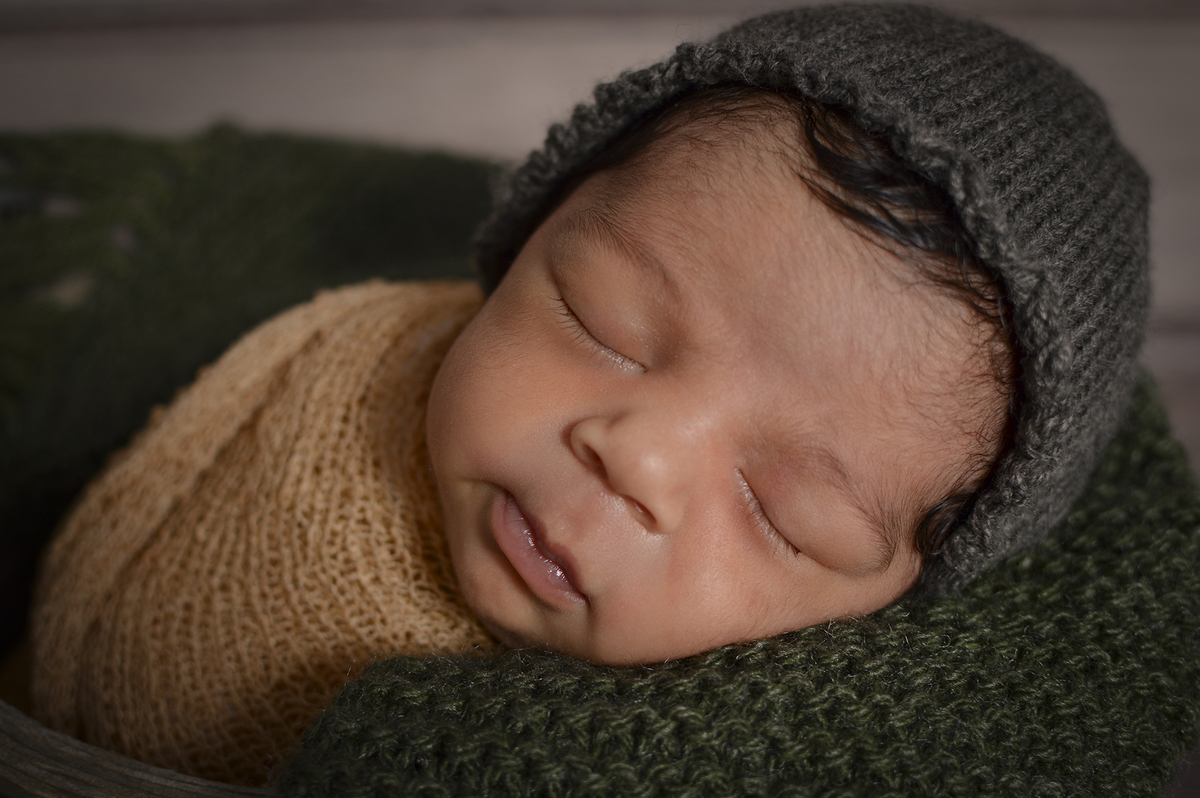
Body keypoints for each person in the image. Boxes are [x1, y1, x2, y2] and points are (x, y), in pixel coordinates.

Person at [29, 2, 1150, 787]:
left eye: (779, 510)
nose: (636, 458)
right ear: (521, 241)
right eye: (605, 325)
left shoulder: (719, 746)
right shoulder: (348, 345)